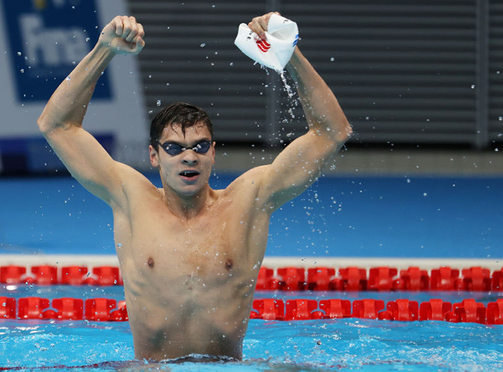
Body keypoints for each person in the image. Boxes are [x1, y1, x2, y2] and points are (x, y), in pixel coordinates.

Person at [37, 12, 352, 361]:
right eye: (174, 149)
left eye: (200, 146)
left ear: (213, 153)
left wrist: (288, 53)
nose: (189, 157)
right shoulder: (129, 197)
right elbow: (57, 125)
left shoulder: (249, 200)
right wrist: (104, 50)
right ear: (154, 156)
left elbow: (332, 133)